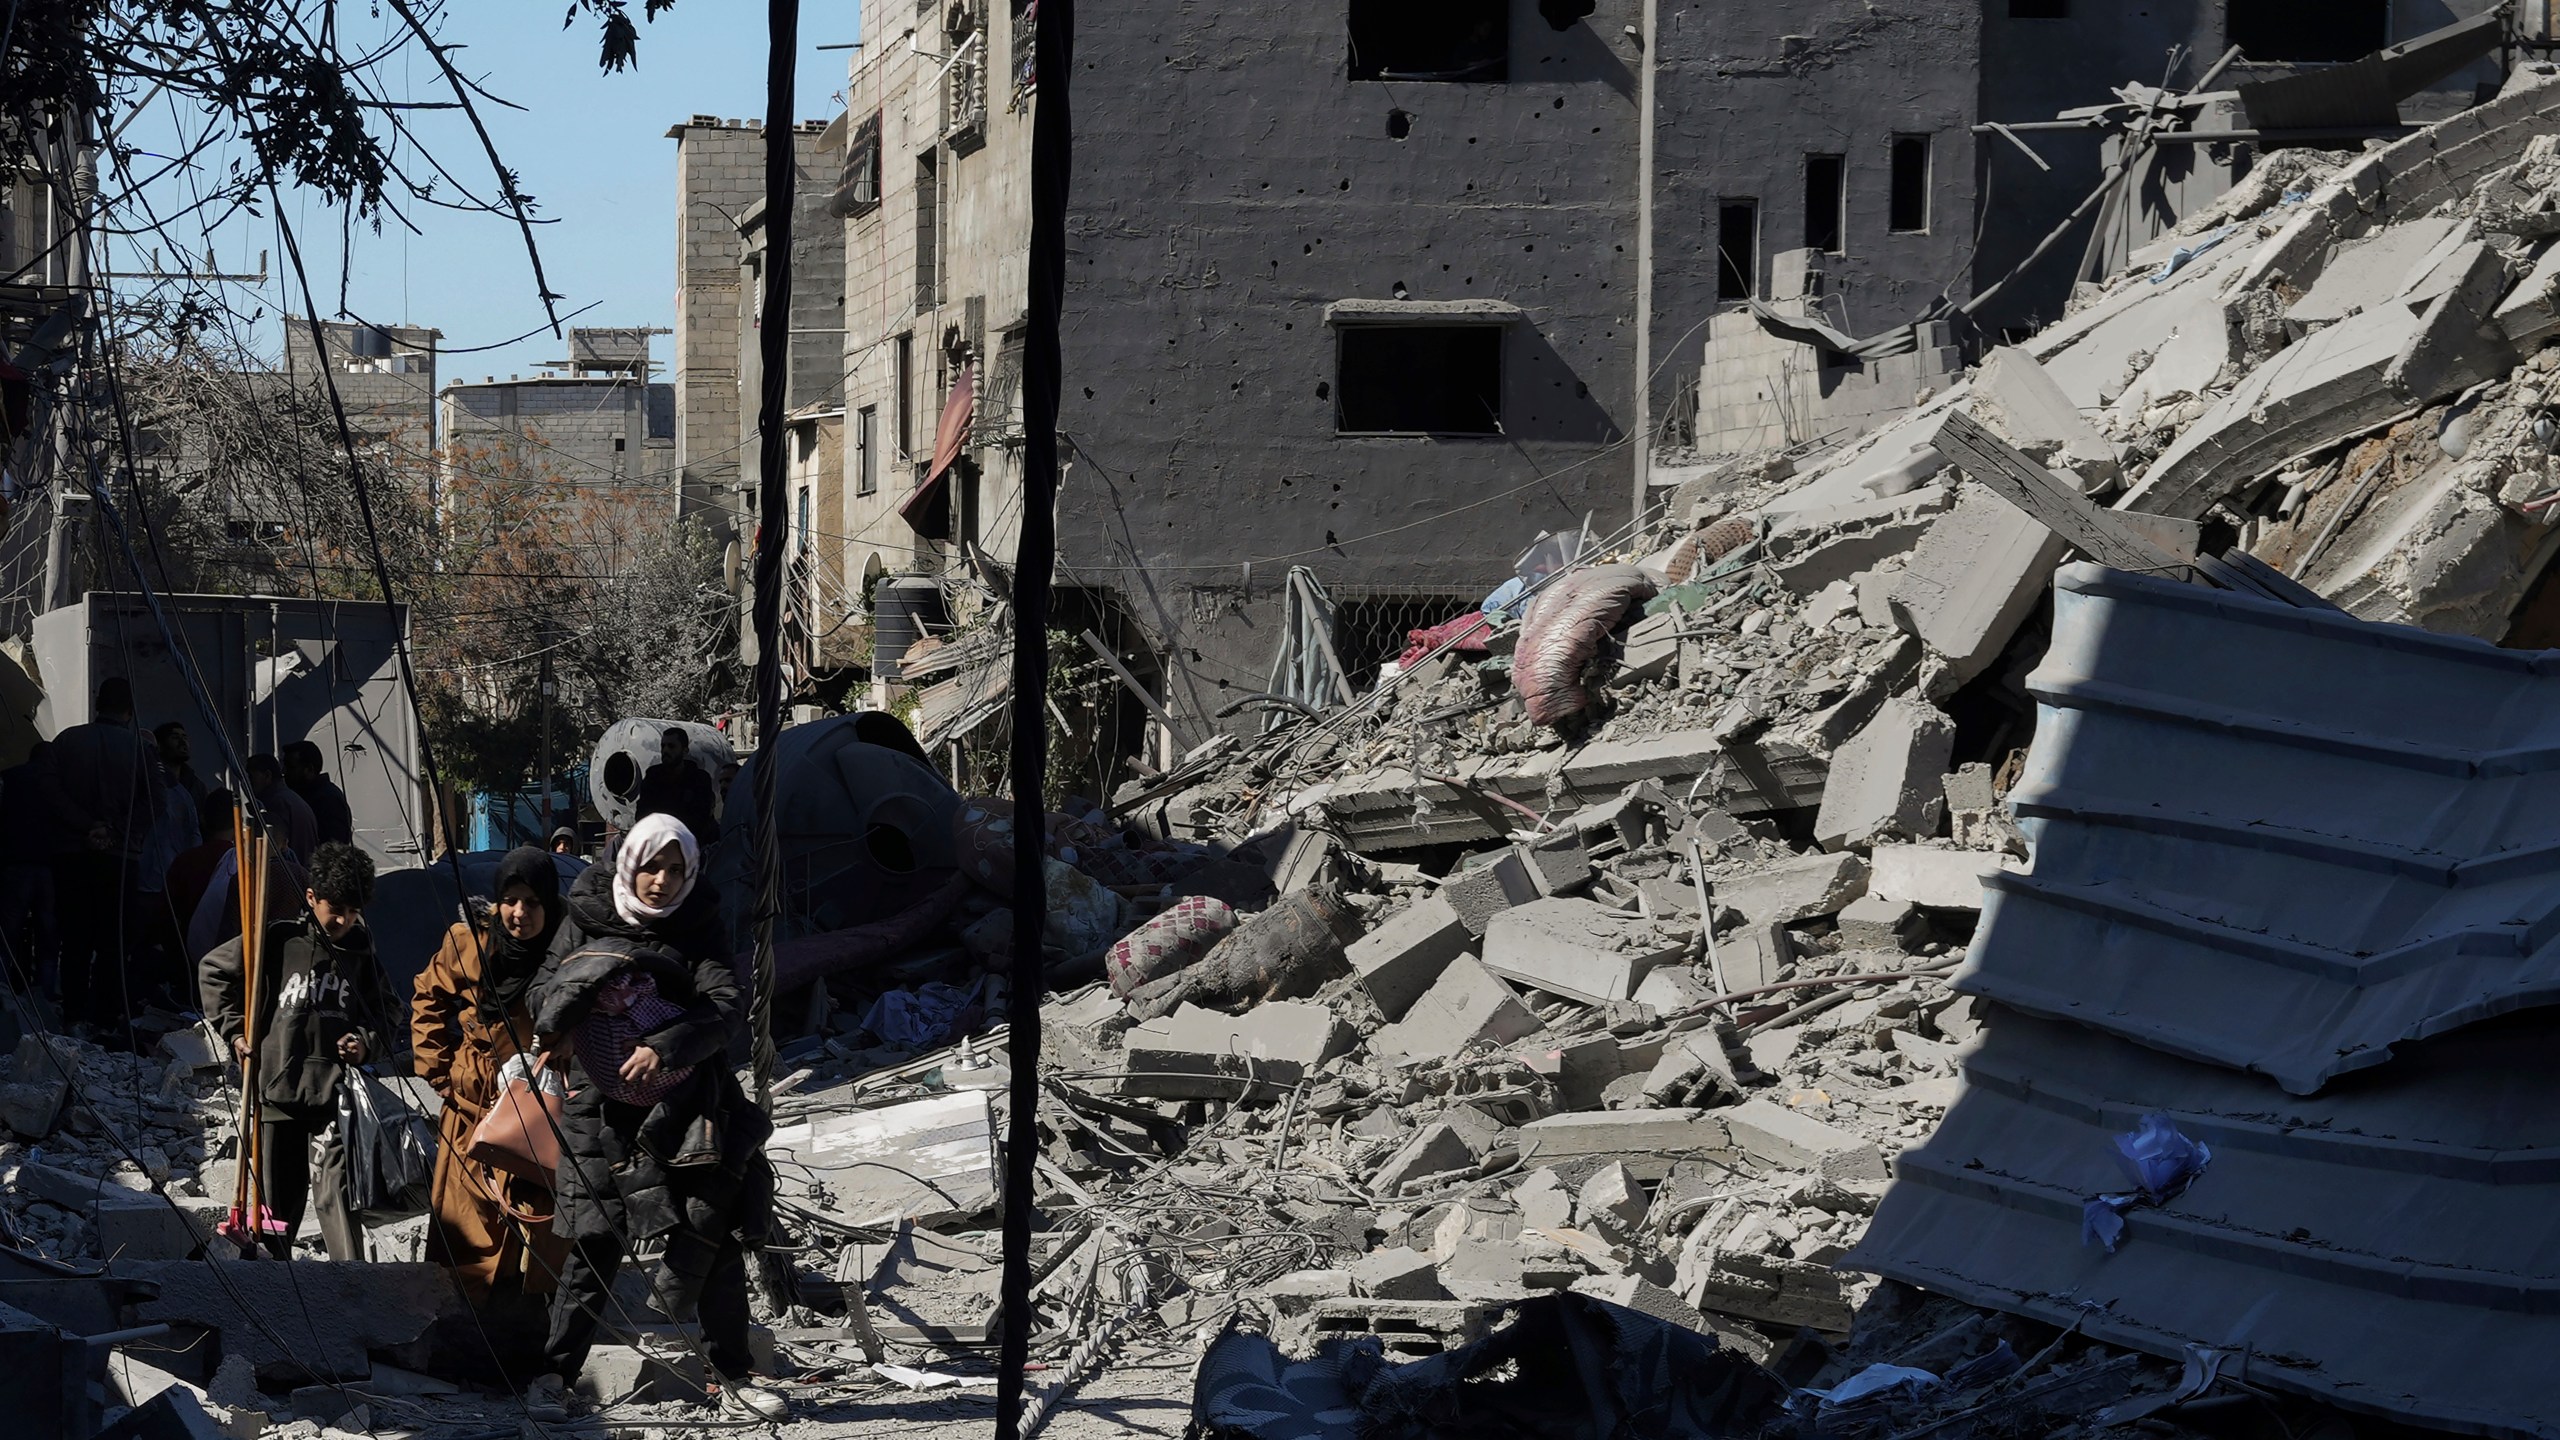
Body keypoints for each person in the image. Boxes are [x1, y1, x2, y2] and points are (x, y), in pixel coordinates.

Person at [522, 814, 786, 1423]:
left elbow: (723, 1008)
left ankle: (734, 1376)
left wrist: (665, 1044)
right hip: (598, 1105)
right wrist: (563, 1020)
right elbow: (543, 987)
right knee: (594, 1243)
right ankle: (552, 1380)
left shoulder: (699, 925)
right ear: (627, 863)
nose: (661, 881)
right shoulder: (586, 912)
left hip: (685, 1108)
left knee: (709, 1236)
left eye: (674, 869)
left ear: (690, 873)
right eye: (651, 866)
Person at [197, 843, 387, 1261]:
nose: (344, 920)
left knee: (337, 1202)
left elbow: (387, 1014)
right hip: (277, 1095)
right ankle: (273, 1287)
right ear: (311, 898)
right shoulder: (278, 940)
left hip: (335, 1098)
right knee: (274, 1215)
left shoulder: (360, 952)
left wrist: (364, 1042)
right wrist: (235, 1032)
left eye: (354, 911)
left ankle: (349, 1290)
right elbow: (212, 970)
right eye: (335, 907)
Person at [412, 847, 573, 1300]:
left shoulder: (567, 954)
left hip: (536, 1110)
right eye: (511, 900)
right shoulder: (470, 942)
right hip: (471, 1105)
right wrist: (442, 1071)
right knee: (468, 1225)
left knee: (540, 1219)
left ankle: (531, 1322)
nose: (520, 913)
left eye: (533, 903)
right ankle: (465, 1325)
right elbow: (427, 998)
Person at [49, 679, 166, 1037]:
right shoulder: (140, 750)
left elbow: (49, 793)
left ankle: (74, 1016)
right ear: (129, 712)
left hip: (73, 853)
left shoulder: (67, 741)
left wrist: (87, 826)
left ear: (98, 705)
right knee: (114, 941)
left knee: (75, 938)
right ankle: (105, 1017)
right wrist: (114, 830)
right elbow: (155, 804)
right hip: (120, 857)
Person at [0, 742, 61, 996]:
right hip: (50, 866)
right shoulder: (60, 785)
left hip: (15, 863)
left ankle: (2, 986)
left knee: (8, 930)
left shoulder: (10, 778)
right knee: (48, 935)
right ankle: (44, 992)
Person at [632, 729, 719, 845]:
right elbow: (642, 813)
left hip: (691, 844)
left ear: (685, 750)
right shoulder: (653, 777)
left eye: (671, 746)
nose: (665, 750)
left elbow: (700, 818)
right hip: (658, 842)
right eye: (663, 746)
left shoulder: (699, 779)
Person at [245, 753, 319, 866]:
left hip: (289, 874)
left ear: (267, 776)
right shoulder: (291, 798)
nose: (249, 783)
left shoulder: (277, 803)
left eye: (251, 777)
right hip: (303, 872)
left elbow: (275, 846)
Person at [283, 741, 354, 849]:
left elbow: (336, 848)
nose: (284, 771)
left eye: (290, 767)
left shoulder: (329, 800)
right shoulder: (302, 796)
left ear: (310, 769)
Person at [154, 724, 208, 810]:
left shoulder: (196, 786)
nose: (183, 742)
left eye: (185, 737)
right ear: (159, 746)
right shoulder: (151, 780)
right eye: (175, 737)